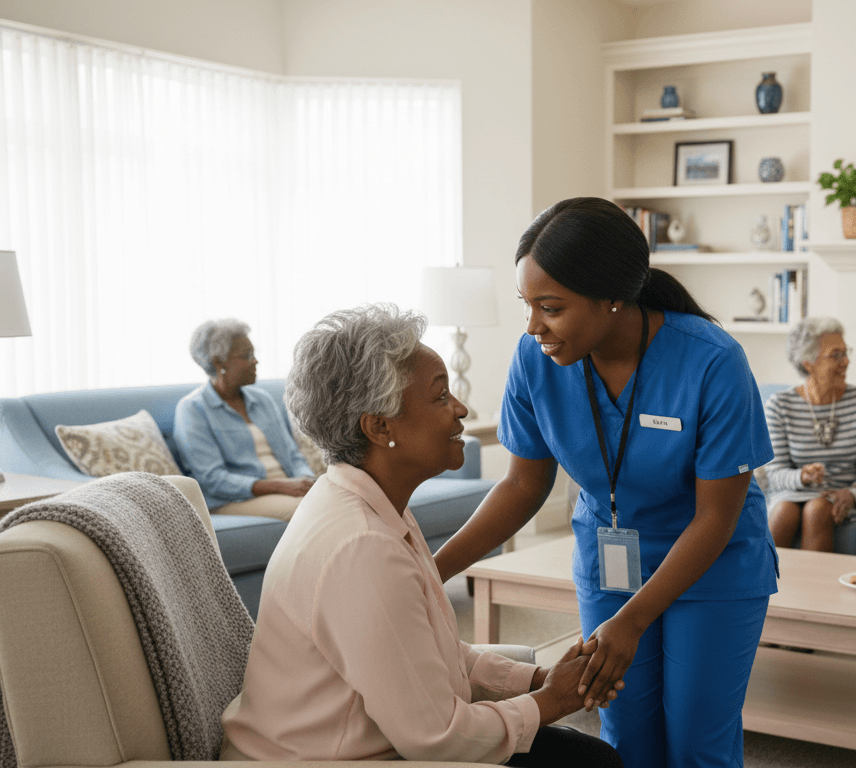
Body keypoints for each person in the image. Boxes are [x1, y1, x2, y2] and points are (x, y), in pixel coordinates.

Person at [433, 197, 777, 768]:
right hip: (613, 562)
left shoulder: (712, 361)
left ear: (612, 298)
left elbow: (716, 516)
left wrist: (634, 620)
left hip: (712, 565)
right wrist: (429, 571)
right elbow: (522, 486)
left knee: (696, 742)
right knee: (626, 736)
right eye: (527, 305)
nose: (534, 326)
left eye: (551, 307)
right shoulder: (536, 359)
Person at [219, 304, 622, 766]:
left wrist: (539, 680)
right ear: (380, 426)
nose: (460, 408)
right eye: (439, 396)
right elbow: (438, 740)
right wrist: (555, 701)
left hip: (378, 743)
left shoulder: (367, 500)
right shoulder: (362, 547)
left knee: (588, 756)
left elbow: (429, 655)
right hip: (329, 759)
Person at [763, 317, 856, 552]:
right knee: (784, 512)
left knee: (817, 508)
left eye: (845, 352)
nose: (846, 361)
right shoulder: (780, 404)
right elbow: (774, 473)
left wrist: (852, 493)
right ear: (808, 362)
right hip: (793, 492)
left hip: (845, 495)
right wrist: (802, 477)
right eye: (836, 355)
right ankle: (759, 586)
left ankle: (816, 588)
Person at [174, 319, 314, 521]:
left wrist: (308, 480)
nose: (255, 361)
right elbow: (212, 479)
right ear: (218, 362)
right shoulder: (192, 409)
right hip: (235, 500)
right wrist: (280, 486)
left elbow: (293, 456)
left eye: (254, 354)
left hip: (287, 489)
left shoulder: (262, 400)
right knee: (312, 510)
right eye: (247, 356)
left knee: (342, 501)